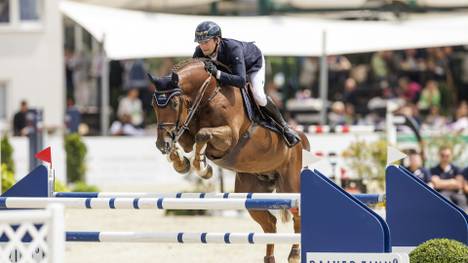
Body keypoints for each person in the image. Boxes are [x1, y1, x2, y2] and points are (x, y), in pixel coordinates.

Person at [192, 21, 300, 147]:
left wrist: (217, 73)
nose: (203, 46)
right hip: (231, 70)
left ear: (217, 40)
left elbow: (241, 81)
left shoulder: (232, 49)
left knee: (259, 96)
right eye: (200, 42)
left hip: (252, 65)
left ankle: (285, 128)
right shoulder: (199, 52)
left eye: (206, 42)